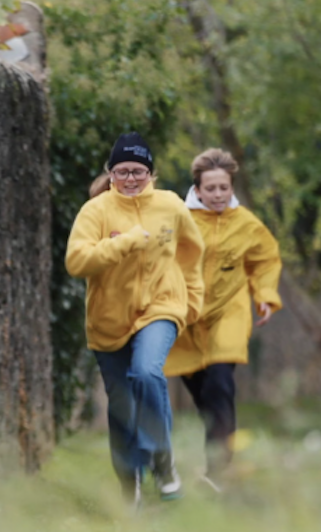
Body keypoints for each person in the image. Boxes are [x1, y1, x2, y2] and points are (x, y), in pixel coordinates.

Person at [66, 132, 205, 506]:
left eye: (139, 172)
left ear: (151, 174)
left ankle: (162, 457)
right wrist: (124, 241)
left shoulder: (171, 206)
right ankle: (131, 488)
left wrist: (192, 300)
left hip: (161, 307)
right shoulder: (94, 212)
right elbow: (76, 261)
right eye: (123, 171)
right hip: (108, 322)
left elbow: (192, 253)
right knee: (122, 406)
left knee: (146, 371)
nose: (131, 179)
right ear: (111, 173)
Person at [165, 148, 282, 491]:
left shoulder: (246, 224)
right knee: (205, 397)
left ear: (232, 187)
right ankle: (225, 447)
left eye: (224, 188)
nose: (218, 195)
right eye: (211, 188)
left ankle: (218, 473)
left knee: (219, 384)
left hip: (228, 313)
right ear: (197, 189)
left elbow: (265, 261)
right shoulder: (177, 219)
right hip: (186, 318)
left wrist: (265, 296)